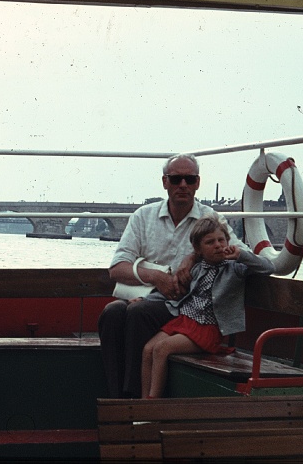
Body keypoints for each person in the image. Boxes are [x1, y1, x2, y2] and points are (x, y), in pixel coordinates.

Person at [98, 153, 250, 398]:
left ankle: (133, 397)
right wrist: (157, 278)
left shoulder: (210, 219)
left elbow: (238, 251)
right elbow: (117, 268)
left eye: (189, 179)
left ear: (197, 183)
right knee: (112, 313)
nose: (183, 185)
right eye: (176, 179)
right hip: (148, 295)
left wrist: (195, 255)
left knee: (138, 313)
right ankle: (116, 393)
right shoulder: (143, 216)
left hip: (182, 306)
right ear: (164, 182)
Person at [141, 214, 275, 398]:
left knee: (161, 349)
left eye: (221, 240)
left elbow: (269, 267)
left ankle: (152, 406)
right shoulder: (197, 268)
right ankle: (142, 405)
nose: (218, 245)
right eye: (210, 242)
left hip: (208, 329)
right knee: (148, 348)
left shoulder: (234, 268)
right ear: (198, 249)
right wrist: (144, 299)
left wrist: (241, 255)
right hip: (184, 322)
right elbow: (176, 291)